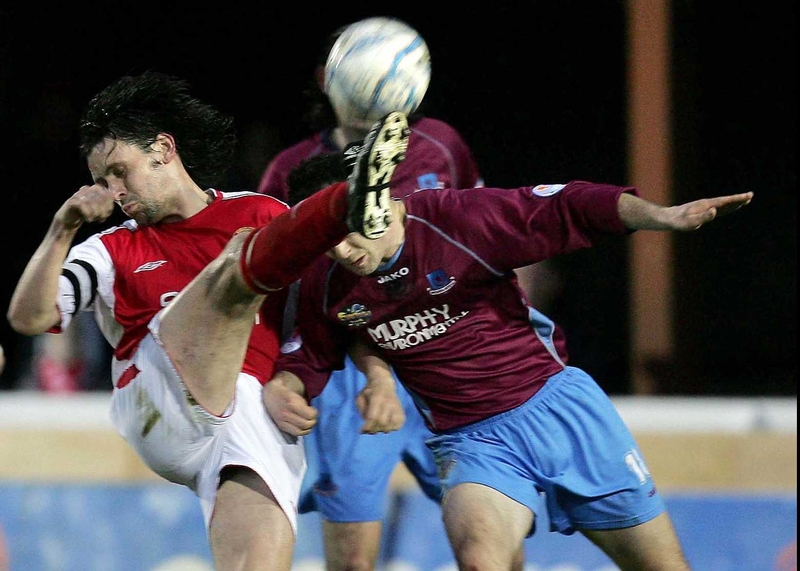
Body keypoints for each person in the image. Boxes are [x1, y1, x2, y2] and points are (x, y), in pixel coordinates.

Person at [6, 69, 411, 570]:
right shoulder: (110, 249)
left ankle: (349, 206)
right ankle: (348, 198)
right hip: (160, 401)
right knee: (236, 268)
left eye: (119, 171)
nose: (113, 192)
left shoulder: (259, 211)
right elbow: (30, 318)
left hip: (249, 414)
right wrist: (61, 229)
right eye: (101, 182)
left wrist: (375, 376)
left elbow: (338, 311)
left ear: (163, 149)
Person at [263, 166, 754, 570]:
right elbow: (317, 344)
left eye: (344, 233)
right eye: (324, 239)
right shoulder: (324, 276)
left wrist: (661, 217)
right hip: (470, 441)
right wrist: (287, 387)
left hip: (557, 411)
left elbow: (568, 204)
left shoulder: (456, 220)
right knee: (480, 559)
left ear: (382, 200)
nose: (339, 252)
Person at [257, 19, 503, 571]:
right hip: (349, 372)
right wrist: (277, 372)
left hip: (448, 357)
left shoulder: (442, 145)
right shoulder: (291, 171)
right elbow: (274, 288)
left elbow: (483, 236)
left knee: (492, 546)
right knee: (352, 560)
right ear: (326, 78)